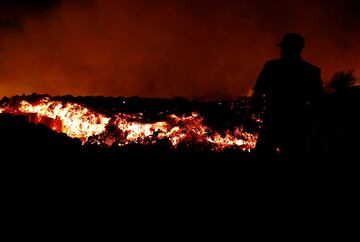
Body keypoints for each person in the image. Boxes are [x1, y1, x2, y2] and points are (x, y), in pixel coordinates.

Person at [247, 33, 324, 161]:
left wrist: (250, 117)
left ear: (295, 48)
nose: (282, 50)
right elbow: (318, 102)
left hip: (275, 122)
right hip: (296, 124)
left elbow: (258, 94)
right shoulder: (311, 71)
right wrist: (313, 126)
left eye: (285, 47)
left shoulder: (271, 67)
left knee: (263, 157)